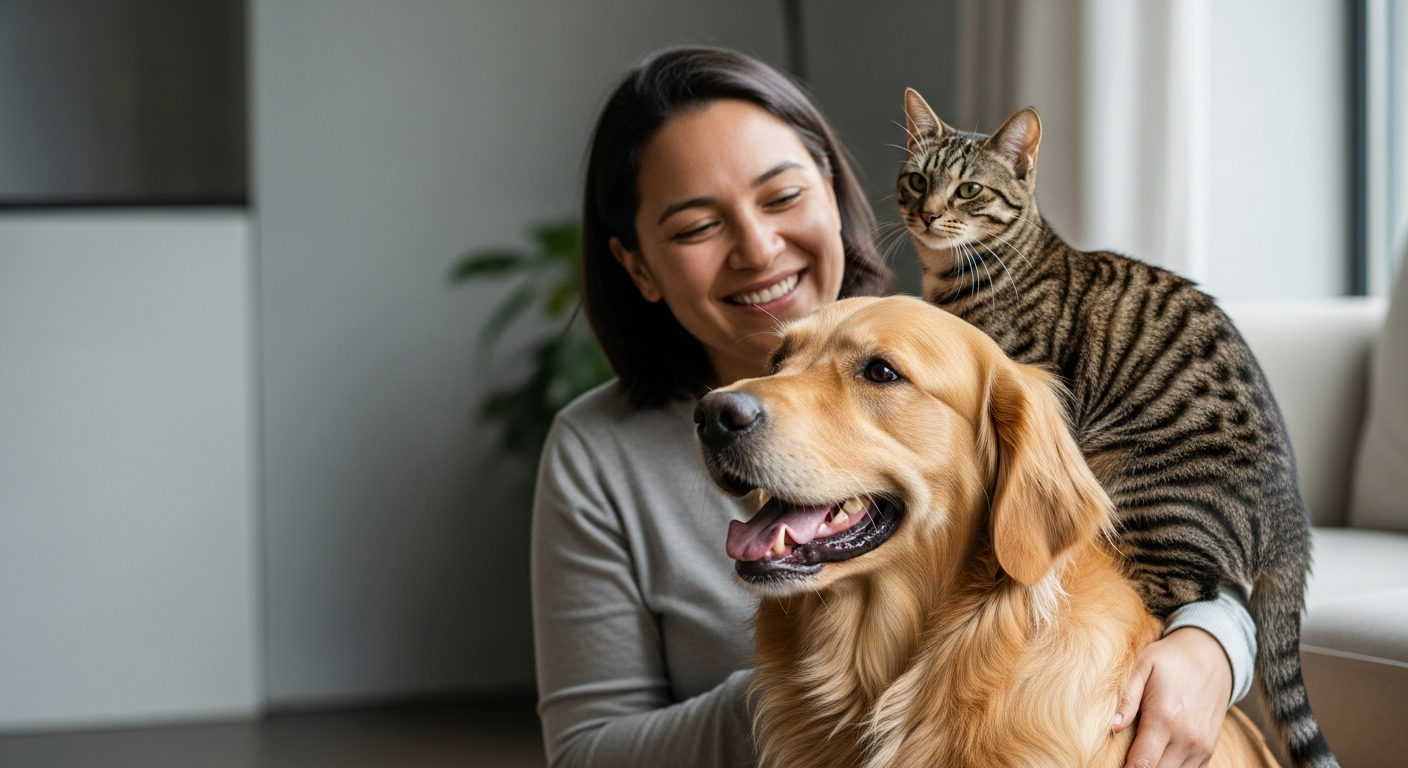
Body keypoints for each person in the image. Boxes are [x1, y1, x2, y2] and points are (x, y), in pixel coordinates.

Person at [531, 46, 1256, 768]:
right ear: (638, 267)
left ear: (831, 190)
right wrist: (815, 696)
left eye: (782, 198)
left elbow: (1152, 526)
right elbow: (587, 753)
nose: (758, 248)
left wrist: (1218, 639)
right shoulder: (597, 452)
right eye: (696, 227)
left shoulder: (973, 346)